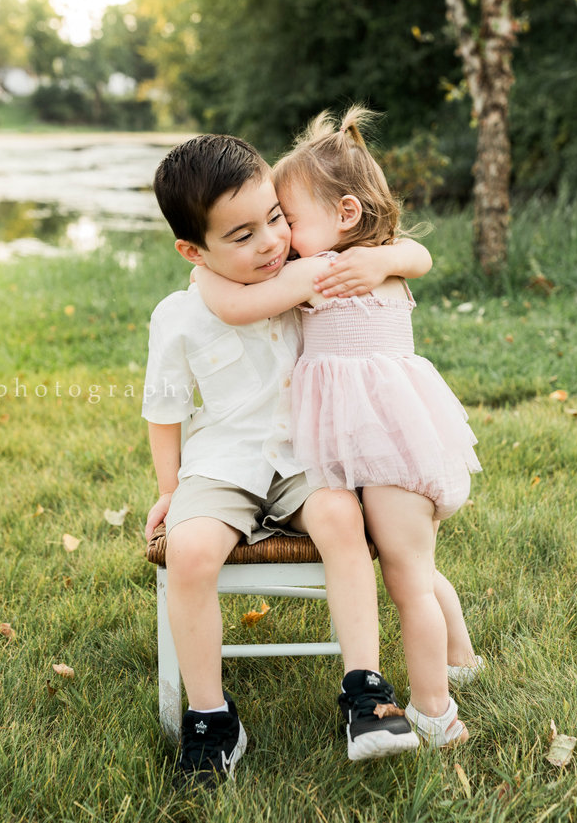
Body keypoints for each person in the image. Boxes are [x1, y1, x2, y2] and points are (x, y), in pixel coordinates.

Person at [144, 133, 435, 788]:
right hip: (222, 463)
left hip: (306, 453)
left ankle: (365, 688)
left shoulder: (312, 276)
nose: (272, 242)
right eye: (242, 235)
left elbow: (409, 257)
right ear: (193, 251)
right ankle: (212, 715)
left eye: (276, 217)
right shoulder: (180, 314)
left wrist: (382, 258)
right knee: (189, 551)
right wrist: (169, 487)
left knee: (341, 518)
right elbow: (164, 408)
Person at [193, 106, 483, 748]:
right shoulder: (367, 260)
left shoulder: (330, 270)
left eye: (288, 220)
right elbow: (418, 252)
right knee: (408, 562)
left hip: (387, 449)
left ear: (345, 214)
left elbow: (240, 306)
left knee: (407, 577)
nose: (281, 237)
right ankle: (459, 650)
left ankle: (436, 711)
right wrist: (388, 258)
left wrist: (203, 273)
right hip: (358, 446)